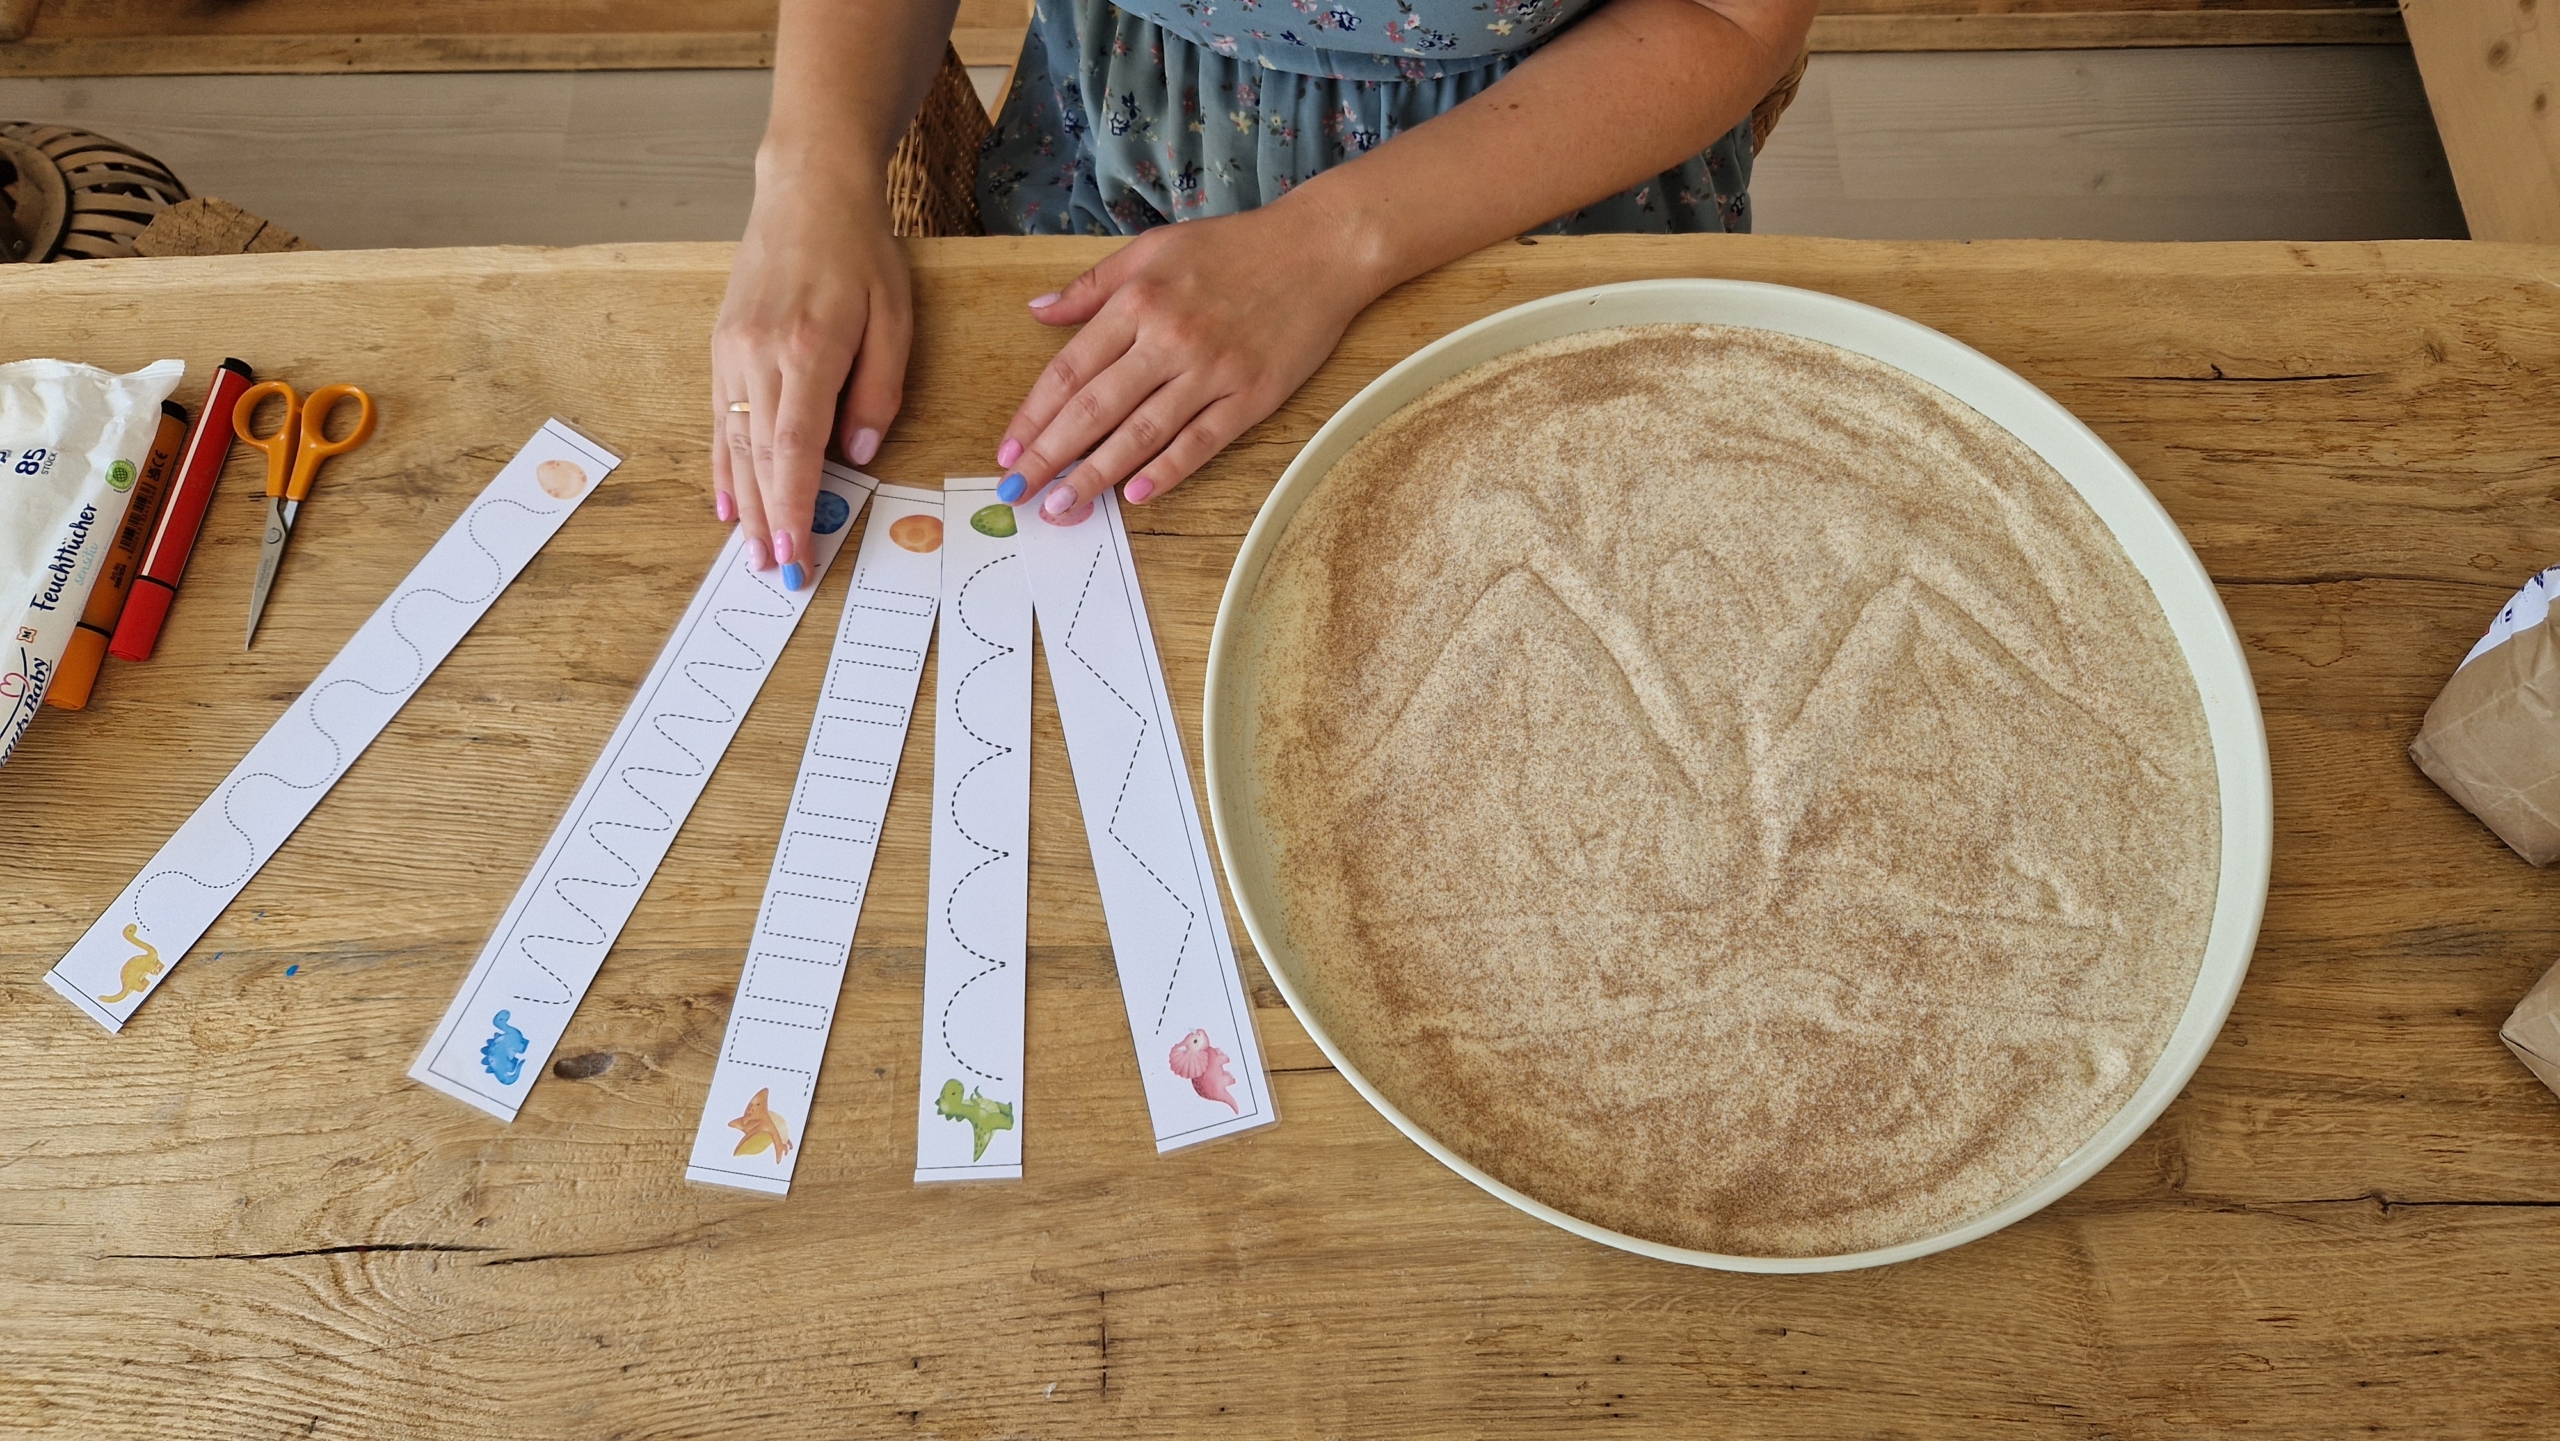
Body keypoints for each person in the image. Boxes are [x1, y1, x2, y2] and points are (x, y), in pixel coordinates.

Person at [713, 0, 1814, 587]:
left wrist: (1328, 245)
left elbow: (1733, 16)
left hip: (1533, 173)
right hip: (1126, 155)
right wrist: (810, 173)